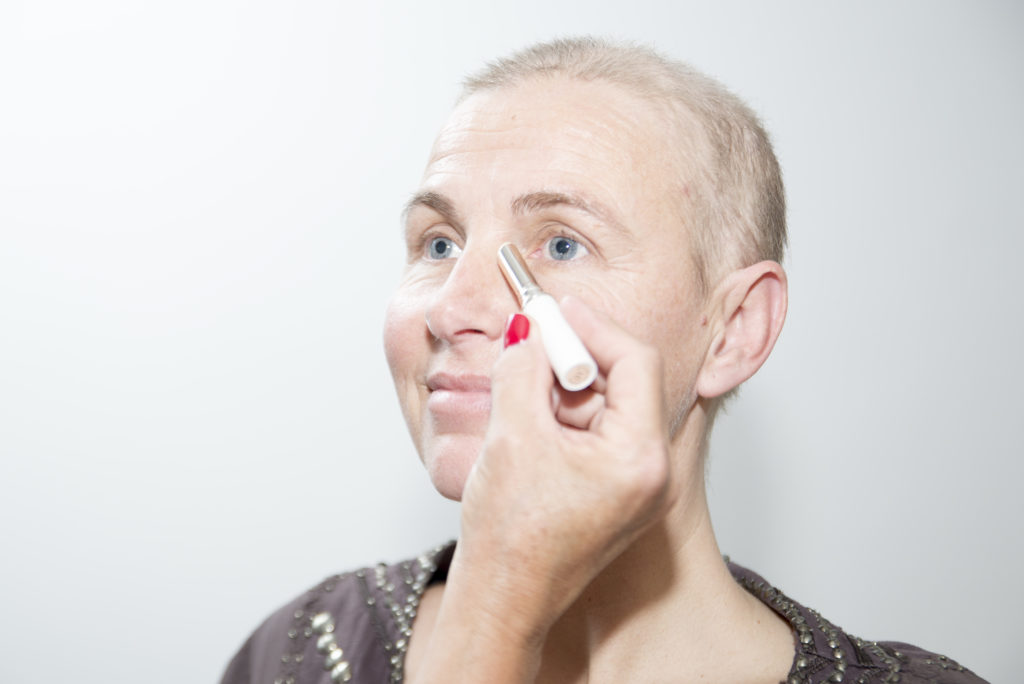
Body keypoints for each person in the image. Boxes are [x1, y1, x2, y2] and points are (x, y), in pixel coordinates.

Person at [221, 37, 986, 684]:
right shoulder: (301, 650)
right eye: (439, 244)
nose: (451, 310)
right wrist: (495, 606)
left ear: (734, 330)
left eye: (562, 244)